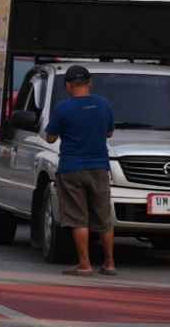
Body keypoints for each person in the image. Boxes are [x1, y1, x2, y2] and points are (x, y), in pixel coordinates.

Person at [44, 64, 117, 276]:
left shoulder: (63, 108)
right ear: (90, 82)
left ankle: (85, 264)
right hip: (99, 168)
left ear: (68, 85)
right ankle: (110, 263)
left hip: (72, 169)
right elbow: (110, 133)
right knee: (103, 218)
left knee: (78, 218)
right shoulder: (103, 104)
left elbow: (50, 138)